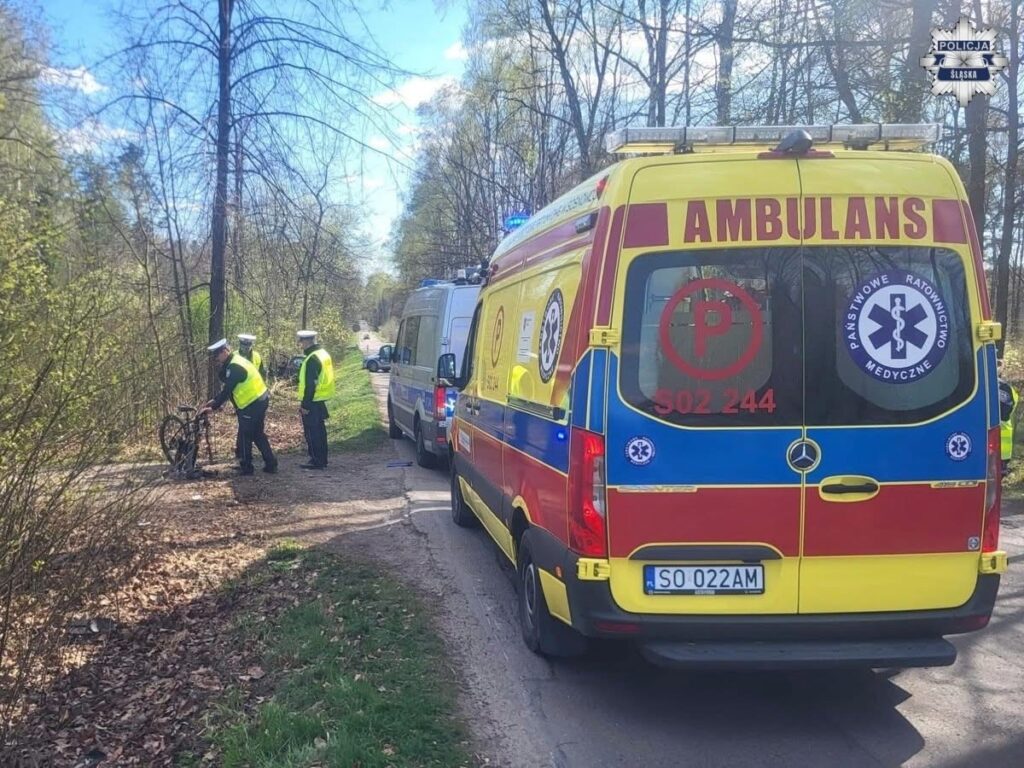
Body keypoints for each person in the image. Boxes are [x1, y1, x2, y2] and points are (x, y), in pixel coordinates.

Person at [199, 338, 278, 475]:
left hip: (252, 403)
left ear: (224, 351)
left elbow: (229, 389)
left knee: (245, 434)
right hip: (260, 399)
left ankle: (246, 467)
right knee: (257, 433)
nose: (216, 359)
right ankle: (271, 464)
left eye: (217, 355)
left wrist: (214, 407)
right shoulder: (235, 360)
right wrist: (215, 400)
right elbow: (228, 387)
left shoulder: (234, 366)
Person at [297, 329, 335, 470]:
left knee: (312, 433)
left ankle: (316, 460)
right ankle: (322, 459)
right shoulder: (323, 354)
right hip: (320, 399)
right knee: (320, 431)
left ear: (307, 341)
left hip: (312, 400)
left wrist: (305, 405)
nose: (300, 344)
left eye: (301, 341)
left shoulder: (312, 358)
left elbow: (310, 385)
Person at [233, 334, 265, 459]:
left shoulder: (256, 356)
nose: (246, 347)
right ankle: (241, 452)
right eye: (244, 345)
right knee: (243, 426)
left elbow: (262, 374)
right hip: (240, 397)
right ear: (240, 344)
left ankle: (246, 453)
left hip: (256, 397)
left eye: (248, 345)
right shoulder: (234, 356)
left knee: (256, 426)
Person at [998, 360, 1018, 476]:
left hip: (987, 440)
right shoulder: (1006, 387)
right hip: (1003, 451)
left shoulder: (979, 383)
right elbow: (1011, 407)